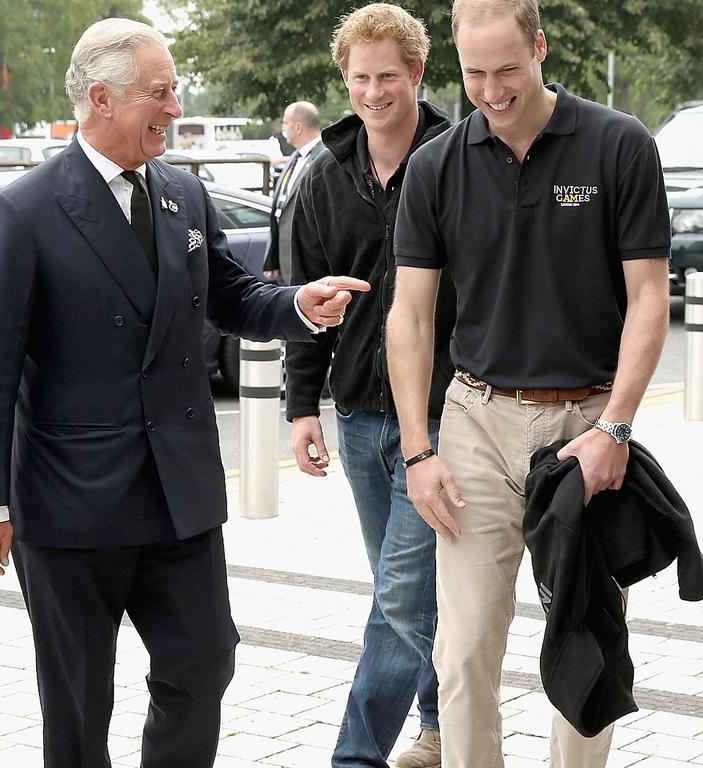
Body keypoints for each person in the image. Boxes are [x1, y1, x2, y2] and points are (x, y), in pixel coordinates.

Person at [0, 18, 368, 768]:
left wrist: (299, 306)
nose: (176, 107)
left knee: (204, 663)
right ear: (102, 97)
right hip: (71, 502)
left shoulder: (182, 192)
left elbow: (232, 293)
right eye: (162, 91)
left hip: (179, 492)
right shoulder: (24, 212)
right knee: (79, 699)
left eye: (175, 90)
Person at [386, 1, 671, 766]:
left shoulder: (619, 146)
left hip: (586, 423)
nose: (491, 89)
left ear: (540, 47)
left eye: (508, 68)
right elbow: (410, 317)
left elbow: (649, 296)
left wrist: (615, 427)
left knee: (586, 637)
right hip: (476, 419)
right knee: (467, 645)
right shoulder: (434, 167)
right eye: (474, 73)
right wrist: (419, 452)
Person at [285, 5, 454, 767]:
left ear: (417, 73)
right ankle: (439, 722)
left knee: (398, 595)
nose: (375, 91)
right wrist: (299, 408)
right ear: (343, 79)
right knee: (407, 591)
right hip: (356, 416)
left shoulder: (461, 159)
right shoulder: (323, 174)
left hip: (446, 416)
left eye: (390, 75)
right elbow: (306, 298)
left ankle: (355, 757)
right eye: (361, 77)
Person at [263, 101, 323, 285]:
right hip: (285, 262)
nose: (283, 129)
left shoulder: (325, 158)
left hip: (310, 266)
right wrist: (272, 259)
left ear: (298, 127)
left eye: (285, 123)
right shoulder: (295, 158)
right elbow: (280, 211)